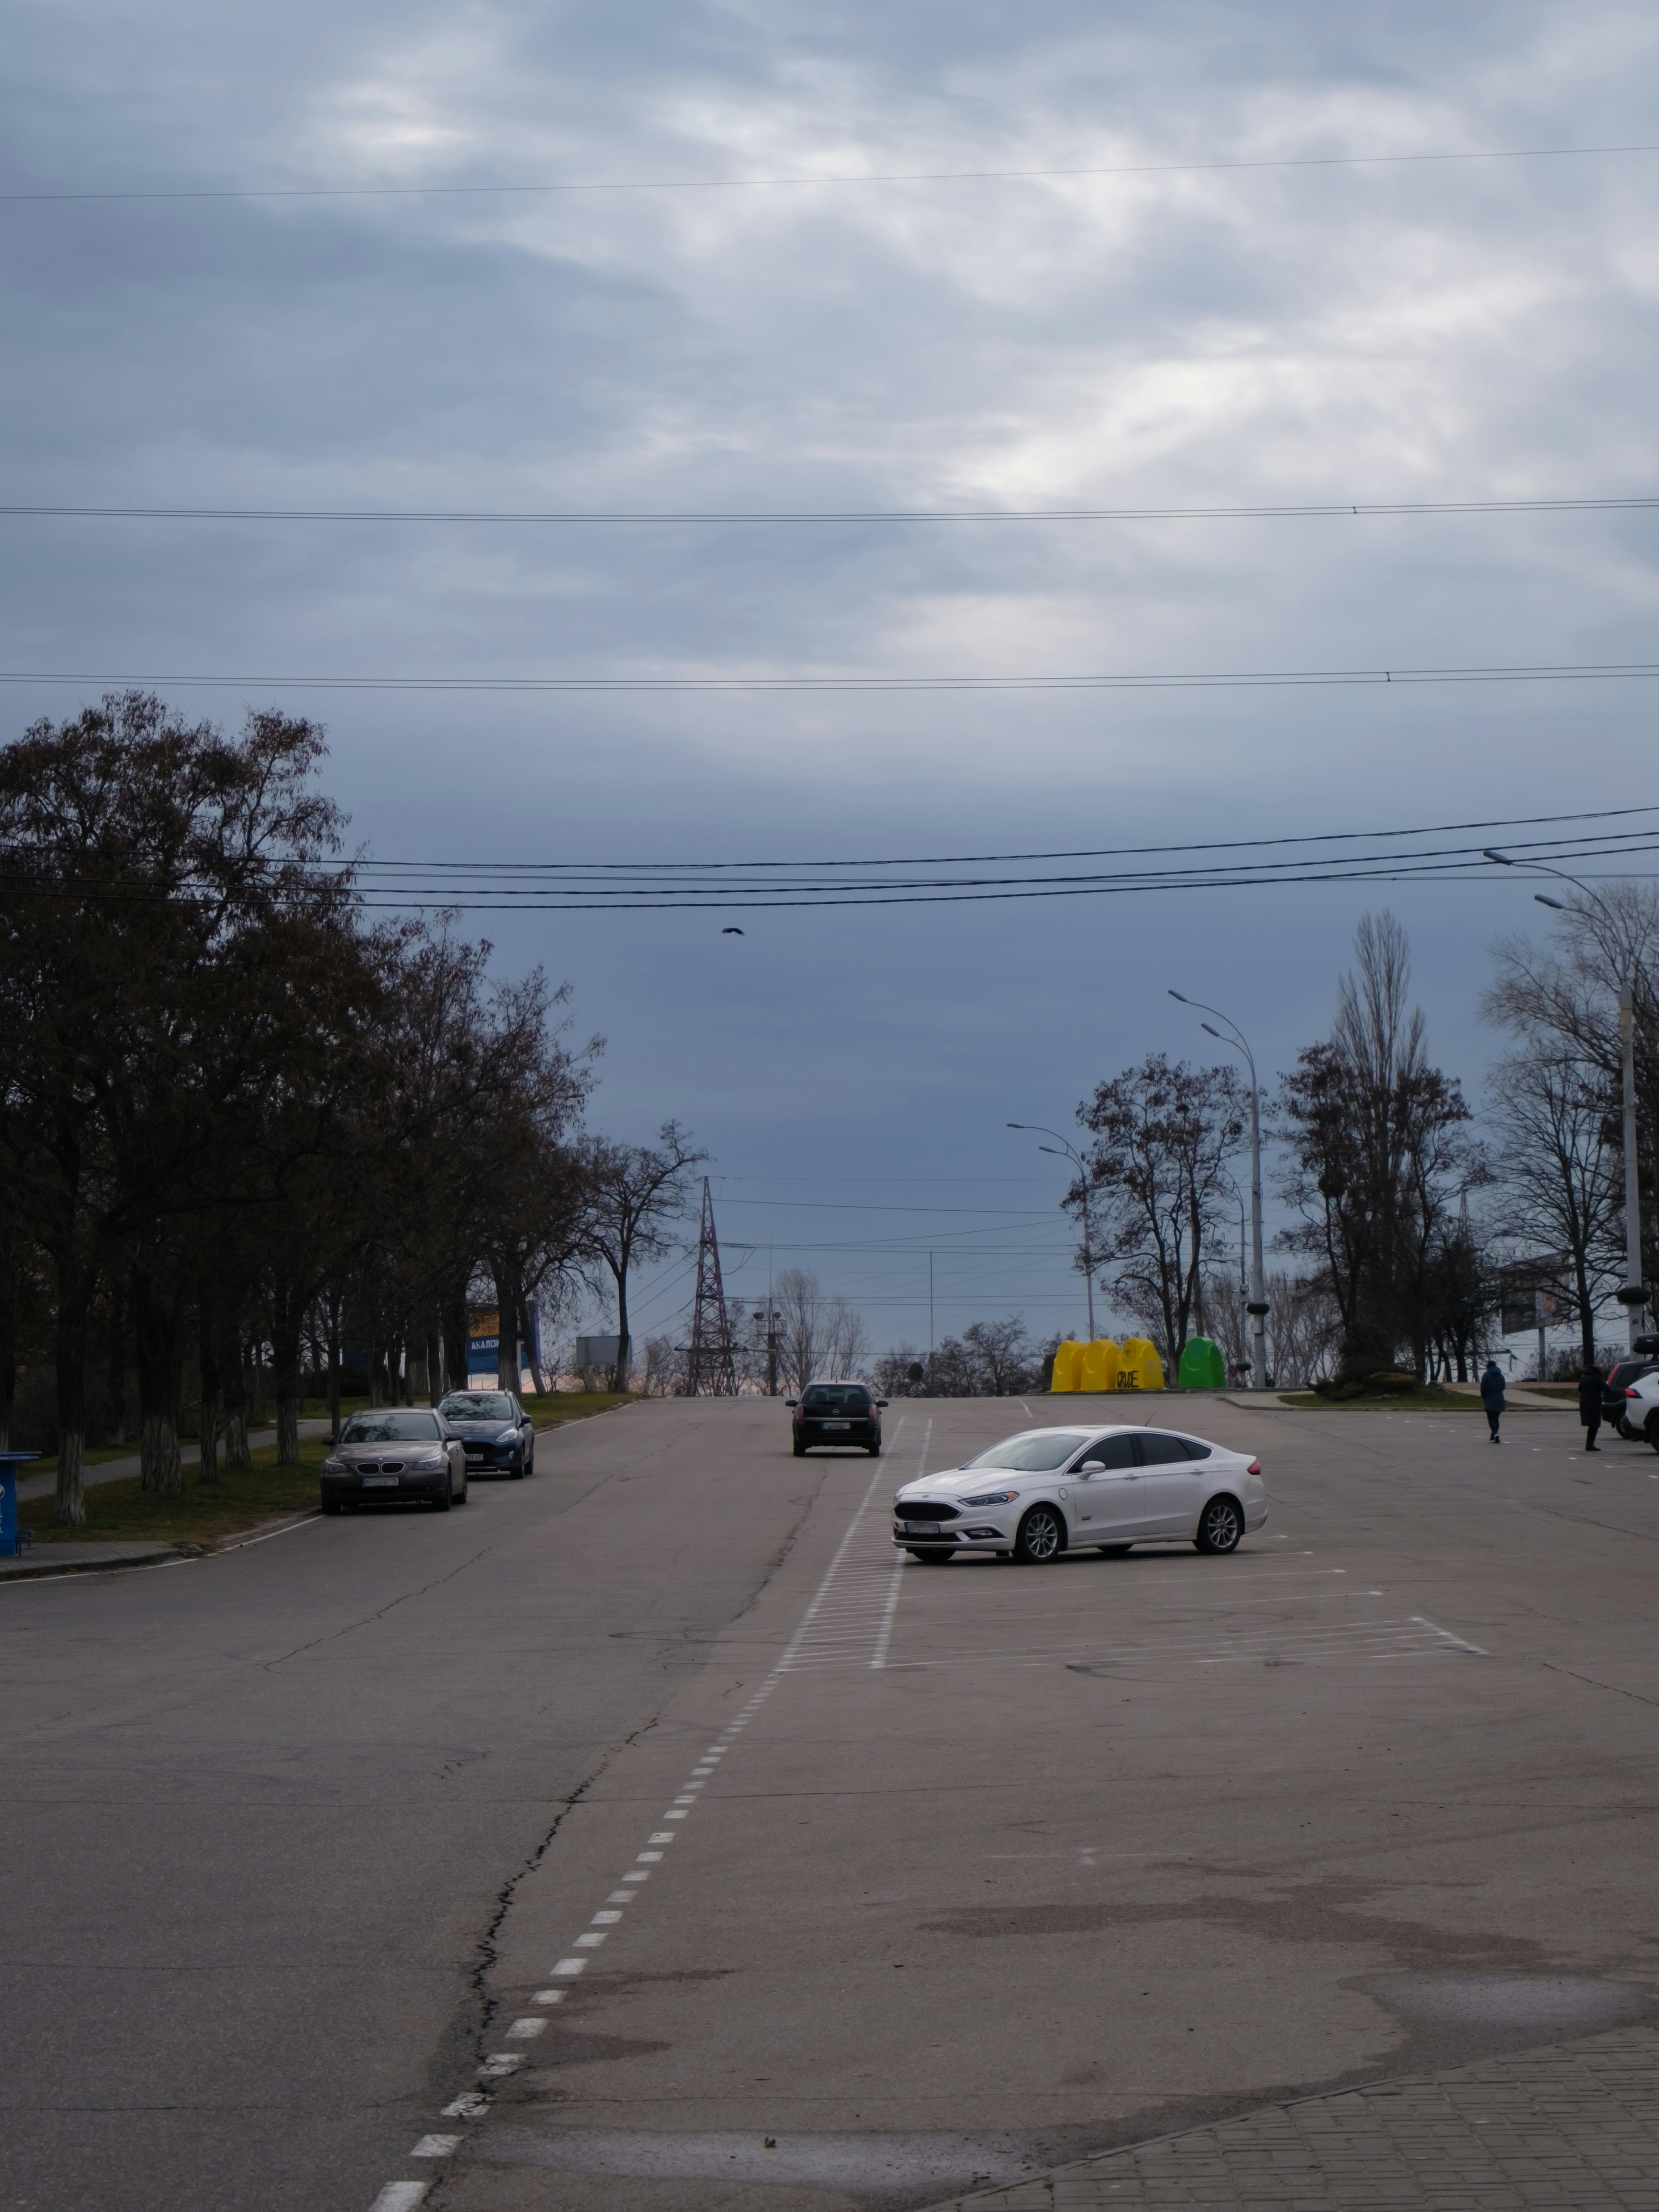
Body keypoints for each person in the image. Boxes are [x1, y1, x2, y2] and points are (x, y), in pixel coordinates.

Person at [1579, 1362, 1604, 1452]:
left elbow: (1580, 1389)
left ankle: (1589, 1445)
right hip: (1594, 1402)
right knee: (1595, 1424)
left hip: (1584, 1401)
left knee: (1591, 1424)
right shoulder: (1598, 1378)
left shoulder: (1584, 1377)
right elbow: (1607, 1388)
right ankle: (1590, 1445)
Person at [1480, 1358, 1506, 1443]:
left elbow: (1483, 1387)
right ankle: (1495, 1434)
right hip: (1500, 1399)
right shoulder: (1501, 1376)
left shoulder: (1486, 1375)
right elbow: (1503, 1387)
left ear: (1488, 1367)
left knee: (1491, 1418)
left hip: (1490, 1399)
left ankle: (1495, 1433)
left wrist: (1484, 1396)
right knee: (1496, 1418)